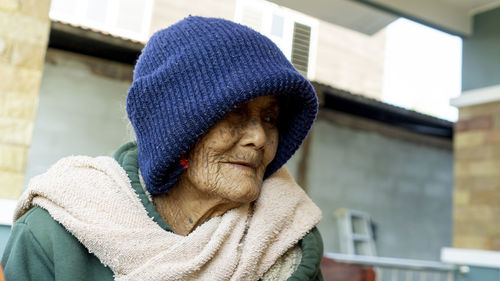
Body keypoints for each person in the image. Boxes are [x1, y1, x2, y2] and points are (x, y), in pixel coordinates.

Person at [1, 16, 323, 280]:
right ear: (175, 127)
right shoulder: (56, 233)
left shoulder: (288, 241)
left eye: (270, 118)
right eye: (234, 112)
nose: (260, 138)